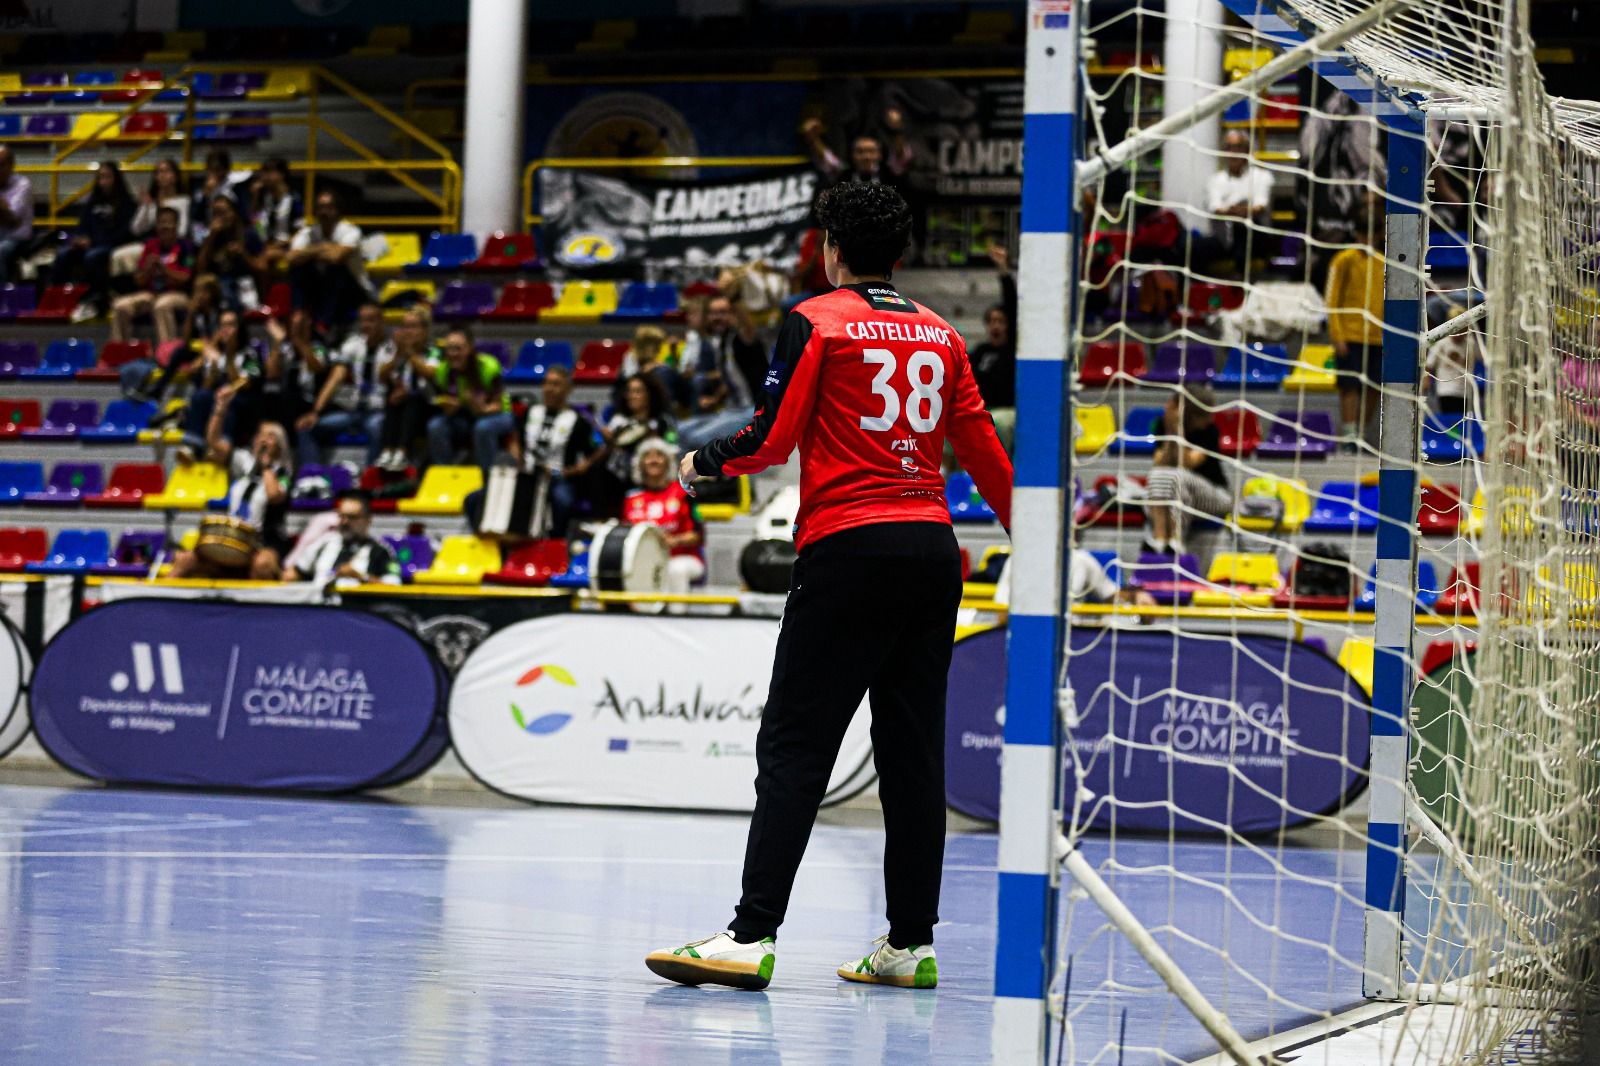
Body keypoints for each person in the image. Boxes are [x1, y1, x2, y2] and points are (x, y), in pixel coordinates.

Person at [646, 180, 1012, 992]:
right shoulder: (944, 335)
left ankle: (750, 935)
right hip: (932, 551)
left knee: (795, 745)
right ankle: (909, 944)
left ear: (828, 250)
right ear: (901, 254)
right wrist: (1034, 538)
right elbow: (986, 453)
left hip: (849, 549)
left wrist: (705, 461)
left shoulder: (817, 319)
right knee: (911, 755)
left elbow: (771, 440)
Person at [167, 381, 290, 581]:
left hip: (264, 541)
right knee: (185, 559)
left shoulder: (283, 472)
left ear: (280, 444)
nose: (263, 440)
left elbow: (275, 496)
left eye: (270, 436)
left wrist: (266, 466)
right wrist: (220, 408)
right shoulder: (243, 461)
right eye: (260, 434)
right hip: (232, 536)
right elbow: (214, 442)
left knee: (262, 565)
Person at [500, 363, 604, 537]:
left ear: (568, 389)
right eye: (547, 383)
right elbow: (516, 437)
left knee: (563, 500)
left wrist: (576, 469)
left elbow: (594, 452)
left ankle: (556, 541)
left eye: (556, 384)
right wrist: (516, 454)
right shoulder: (531, 411)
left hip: (557, 478)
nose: (549, 389)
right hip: (527, 474)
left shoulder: (578, 421)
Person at [1143, 384, 1233, 555]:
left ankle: (1176, 539)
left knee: (1178, 477)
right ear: (1191, 414)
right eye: (1205, 415)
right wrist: (1170, 430)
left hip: (1215, 495)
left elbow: (1187, 463)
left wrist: (1176, 430)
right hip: (1180, 493)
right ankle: (1160, 540)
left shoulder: (1210, 431)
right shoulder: (1162, 426)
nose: (1210, 419)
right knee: (1158, 474)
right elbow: (1160, 463)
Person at [296, 301, 389, 465]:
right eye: (362, 320)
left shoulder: (392, 348)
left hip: (379, 410)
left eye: (371, 320)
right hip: (353, 411)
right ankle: (312, 475)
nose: (366, 325)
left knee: (377, 428)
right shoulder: (353, 345)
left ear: (382, 321)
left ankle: (370, 477)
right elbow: (335, 378)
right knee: (307, 428)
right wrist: (315, 412)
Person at [1326, 201, 1386, 446]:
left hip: (1377, 337)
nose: (1367, 240)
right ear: (1356, 234)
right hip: (1350, 336)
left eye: (1372, 235)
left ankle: (1362, 431)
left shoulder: (1384, 262)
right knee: (1349, 387)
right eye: (1363, 235)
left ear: (1380, 235)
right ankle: (1349, 434)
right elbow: (1332, 299)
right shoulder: (1343, 260)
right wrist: (1337, 335)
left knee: (1373, 387)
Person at [677, 292, 768, 450]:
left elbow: (749, 328)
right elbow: (731, 380)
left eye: (723, 312)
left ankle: (704, 467)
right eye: (713, 313)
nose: (717, 317)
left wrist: (735, 297)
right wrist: (715, 399)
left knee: (696, 439)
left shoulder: (742, 338)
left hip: (754, 412)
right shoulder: (720, 342)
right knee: (681, 430)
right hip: (731, 410)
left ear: (734, 314)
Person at [53, 161, 135, 322]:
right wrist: (79, 238)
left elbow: (124, 233)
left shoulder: (126, 204)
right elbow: (83, 225)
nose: (103, 181)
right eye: (101, 177)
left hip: (110, 244)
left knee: (92, 257)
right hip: (90, 244)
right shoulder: (93, 202)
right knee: (62, 254)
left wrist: (94, 241)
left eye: (107, 177)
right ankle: (58, 297)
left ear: (116, 179)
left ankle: (93, 298)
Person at [623, 437, 704, 596]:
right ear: (640, 464)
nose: (653, 460)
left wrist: (674, 541)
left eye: (659, 455)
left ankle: (677, 611)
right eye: (648, 456)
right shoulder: (631, 498)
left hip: (683, 558)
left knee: (675, 569)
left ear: (668, 462)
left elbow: (697, 535)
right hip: (645, 560)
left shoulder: (684, 493)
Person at [427, 327, 514, 473]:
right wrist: (450, 408)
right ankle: (443, 474)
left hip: (498, 414)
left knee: (483, 427)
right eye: (449, 349)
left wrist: (481, 409)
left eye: (458, 349)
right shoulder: (443, 370)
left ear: (470, 348)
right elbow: (447, 403)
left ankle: (486, 476)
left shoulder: (489, 366)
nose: (453, 354)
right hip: (466, 416)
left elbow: (498, 405)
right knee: (436, 425)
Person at [109, 206, 192, 344]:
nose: (164, 226)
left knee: (162, 305)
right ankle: (120, 350)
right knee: (120, 306)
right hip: (151, 294)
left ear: (176, 225)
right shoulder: (151, 246)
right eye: (161, 222)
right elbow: (139, 281)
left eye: (169, 222)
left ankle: (166, 352)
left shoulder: (185, 246)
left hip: (179, 294)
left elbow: (186, 278)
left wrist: (163, 268)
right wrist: (147, 269)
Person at [287, 190, 370, 327]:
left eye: (329, 207)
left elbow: (336, 257)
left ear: (338, 209)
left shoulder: (350, 231)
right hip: (320, 288)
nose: (324, 212)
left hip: (352, 290)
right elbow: (291, 257)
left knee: (335, 269)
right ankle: (298, 313)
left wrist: (309, 252)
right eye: (320, 207)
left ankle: (323, 323)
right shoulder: (308, 232)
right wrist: (322, 247)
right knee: (298, 268)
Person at [374, 304, 438, 471]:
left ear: (425, 330)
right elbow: (382, 376)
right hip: (401, 408)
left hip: (428, 406)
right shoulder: (395, 351)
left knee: (413, 399)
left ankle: (403, 452)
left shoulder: (433, 351)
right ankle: (388, 451)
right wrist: (398, 355)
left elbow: (429, 373)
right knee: (392, 398)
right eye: (405, 327)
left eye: (413, 327)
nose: (408, 332)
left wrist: (409, 352)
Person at [599, 372, 677, 507]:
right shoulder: (619, 420)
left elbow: (673, 447)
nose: (632, 396)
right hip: (617, 476)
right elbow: (607, 451)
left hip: (650, 477)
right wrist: (609, 443)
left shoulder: (662, 422)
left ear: (649, 395)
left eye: (637, 391)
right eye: (629, 391)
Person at [967, 242, 1017, 452]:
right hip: (981, 408)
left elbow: (1012, 305)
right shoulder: (981, 351)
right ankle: (950, 470)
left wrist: (1004, 270)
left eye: (1001, 321)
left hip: (1007, 410)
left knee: (998, 423)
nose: (996, 325)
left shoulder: (1013, 349)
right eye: (992, 321)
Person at [292, 490, 397, 589]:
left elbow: (394, 588)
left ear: (368, 520)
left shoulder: (381, 551)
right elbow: (294, 573)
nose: (345, 522)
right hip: (319, 601)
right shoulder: (323, 543)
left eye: (352, 517)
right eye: (341, 516)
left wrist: (361, 577)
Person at [1199, 130, 1273, 265]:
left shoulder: (1262, 176)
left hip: (1254, 237)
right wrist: (1232, 211)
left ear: (1247, 150)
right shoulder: (1215, 180)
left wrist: (1244, 211)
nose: (1233, 152)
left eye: (1238, 147)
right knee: (1192, 247)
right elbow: (1214, 207)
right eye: (1229, 147)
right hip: (1224, 240)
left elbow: (1261, 205)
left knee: (1242, 232)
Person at [114, 157, 188, 277]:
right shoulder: (151, 201)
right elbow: (136, 229)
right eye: (158, 172)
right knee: (118, 256)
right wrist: (146, 206)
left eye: (166, 171)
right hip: (150, 244)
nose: (162, 175)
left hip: (172, 246)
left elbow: (182, 231)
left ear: (175, 176)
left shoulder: (184, 201)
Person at [194, 195, 265, 314]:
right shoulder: (210, 237)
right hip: (218, 284)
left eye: (224, 212)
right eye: (216, 214)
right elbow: (200, 269)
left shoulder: (249, 234)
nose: (220, 218)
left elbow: (262, 268)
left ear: (234, 213)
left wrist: (243, 254)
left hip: (245, 283)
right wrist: (211, 237)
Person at [801, 110, 912, 186]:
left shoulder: (889, 174)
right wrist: (813, 138)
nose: (866, 157)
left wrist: (896, 129)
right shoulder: (845, 175)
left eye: (871, 151)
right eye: (860, 152)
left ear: (879, 154)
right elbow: (828, 160)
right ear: (852, 155)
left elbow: (900, 156)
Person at [189, 148, 241, 244]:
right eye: (210, 169)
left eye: (218, 169)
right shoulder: (200, 189)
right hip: (207, 231)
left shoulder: (235, 188)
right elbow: (196, 217)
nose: (214, 174)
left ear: (226, 170)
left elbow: (241, 215)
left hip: (229, 232)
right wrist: (205, 195)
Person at [0, 146, 33, 283]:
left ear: (11, 166)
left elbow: (12, 220)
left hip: (15, 238)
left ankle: (2, 293)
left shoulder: (22, 185)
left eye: (1, 165)